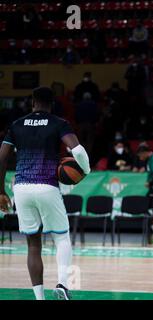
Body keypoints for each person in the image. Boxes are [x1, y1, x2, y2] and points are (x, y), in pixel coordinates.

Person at [0, 87, 91, 300]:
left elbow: (1, 157)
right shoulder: (59, 123)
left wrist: (1, 191)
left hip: (21, 187)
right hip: (47, 185)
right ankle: (62, 284)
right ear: (52, 104)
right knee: (61, 237)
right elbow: (76, 150)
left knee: (33, 244)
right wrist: (86, 169)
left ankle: (39, 298)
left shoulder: (17, 124)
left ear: (32, 102)